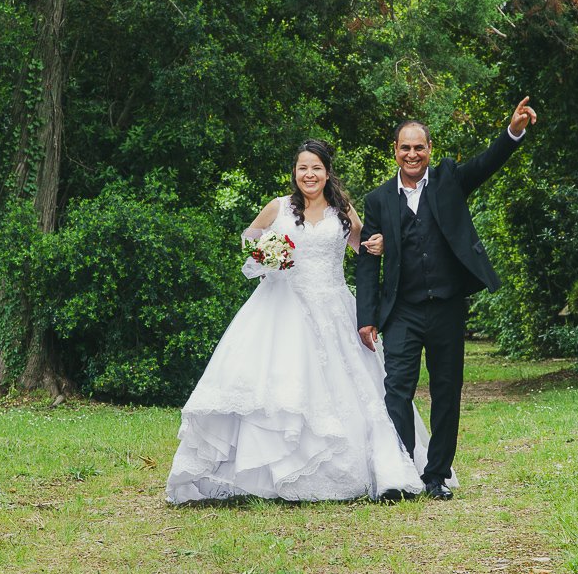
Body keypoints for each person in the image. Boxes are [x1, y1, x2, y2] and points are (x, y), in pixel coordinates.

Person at [165, 139, 429, 503]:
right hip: (282, 307)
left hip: (334, 308)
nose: (310, 174)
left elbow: (364, 245)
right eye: (303, 168)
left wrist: (378, 244)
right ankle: (268, 473)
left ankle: (371, 469)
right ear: (295, 172)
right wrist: (268, 256)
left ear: (327, 173)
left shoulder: (342, 210)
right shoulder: (279, 207)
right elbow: (249, 240)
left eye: (316, 168)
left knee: (355, 391)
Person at [356, 97, 537, 500]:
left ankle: (436, 475)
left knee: (446, 391)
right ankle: (403, 471)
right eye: (405, 147)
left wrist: (513, 131)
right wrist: (366, 317)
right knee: (396, 389)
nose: (412, 154)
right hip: (402, 309)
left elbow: (487, 163)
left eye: (419, 147)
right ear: (395, 151)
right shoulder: (378, 199)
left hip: (447, 307)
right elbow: (368, 261)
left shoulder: (449, 179)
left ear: (429, 149)